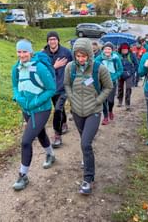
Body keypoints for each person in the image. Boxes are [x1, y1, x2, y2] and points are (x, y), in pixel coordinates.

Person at [64, 38, 113, 194]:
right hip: (77, 111)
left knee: (85, 143)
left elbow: (108, 87)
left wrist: (97, 101)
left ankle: (88, 179)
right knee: (83, 139)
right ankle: (86, 158)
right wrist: (71, 98)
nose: (81, 59)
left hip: (94, 111)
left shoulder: (99, 69)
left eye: (84, 56)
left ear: (90, 54)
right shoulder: (70, 68)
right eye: (78, 56)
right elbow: (66, 84)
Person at [11, 39, 57, 191]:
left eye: (24, 51)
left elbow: (51, 89)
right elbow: (15, 86)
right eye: (19, 51)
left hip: (42, 109)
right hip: (27, 109)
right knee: (40, 133)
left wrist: (35, 101)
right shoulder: (15, 69)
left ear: (30, 52)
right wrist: (18, 97)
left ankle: (23, 176)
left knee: (26, 141)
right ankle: (51, 155)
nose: (22, 55)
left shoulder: (40, 68)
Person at [43, 31, 73, 148]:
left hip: (63, 86)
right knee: (58, 108)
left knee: (58, 110)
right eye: (50, 39)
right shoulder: (43, 54)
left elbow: (72, 68)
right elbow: (42, 72)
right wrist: (54, 67)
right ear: (47, 41)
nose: (52, 41)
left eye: (54, 39)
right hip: (50, 88)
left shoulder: (66, 52)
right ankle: (64, 123)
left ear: (58, 40)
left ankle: (57, 135)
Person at [94, 42, 123, 125]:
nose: (107, 50)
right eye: (106, 49)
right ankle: (105, 117)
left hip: (112, 82)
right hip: (102, 82)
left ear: (112, 50)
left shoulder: (116, 58)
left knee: (110, 101)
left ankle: (110, 110)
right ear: (103, 50)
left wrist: (113, 77)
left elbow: (120, 70)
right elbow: (94, 69)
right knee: (103, 100)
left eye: (109, 49)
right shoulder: (99, 59)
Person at [117, 42, 138, 110]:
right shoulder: (118, 55)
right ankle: (120, 101)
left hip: (129, 74)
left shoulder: (132, 55)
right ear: (120, 49)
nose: (124, 51)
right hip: (120, 74)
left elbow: (136, 64)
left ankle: (127, 104)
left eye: (126, 50)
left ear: (128, 49)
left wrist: (131, 72)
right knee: (120, 88)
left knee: (128, 88)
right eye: (123, 50)